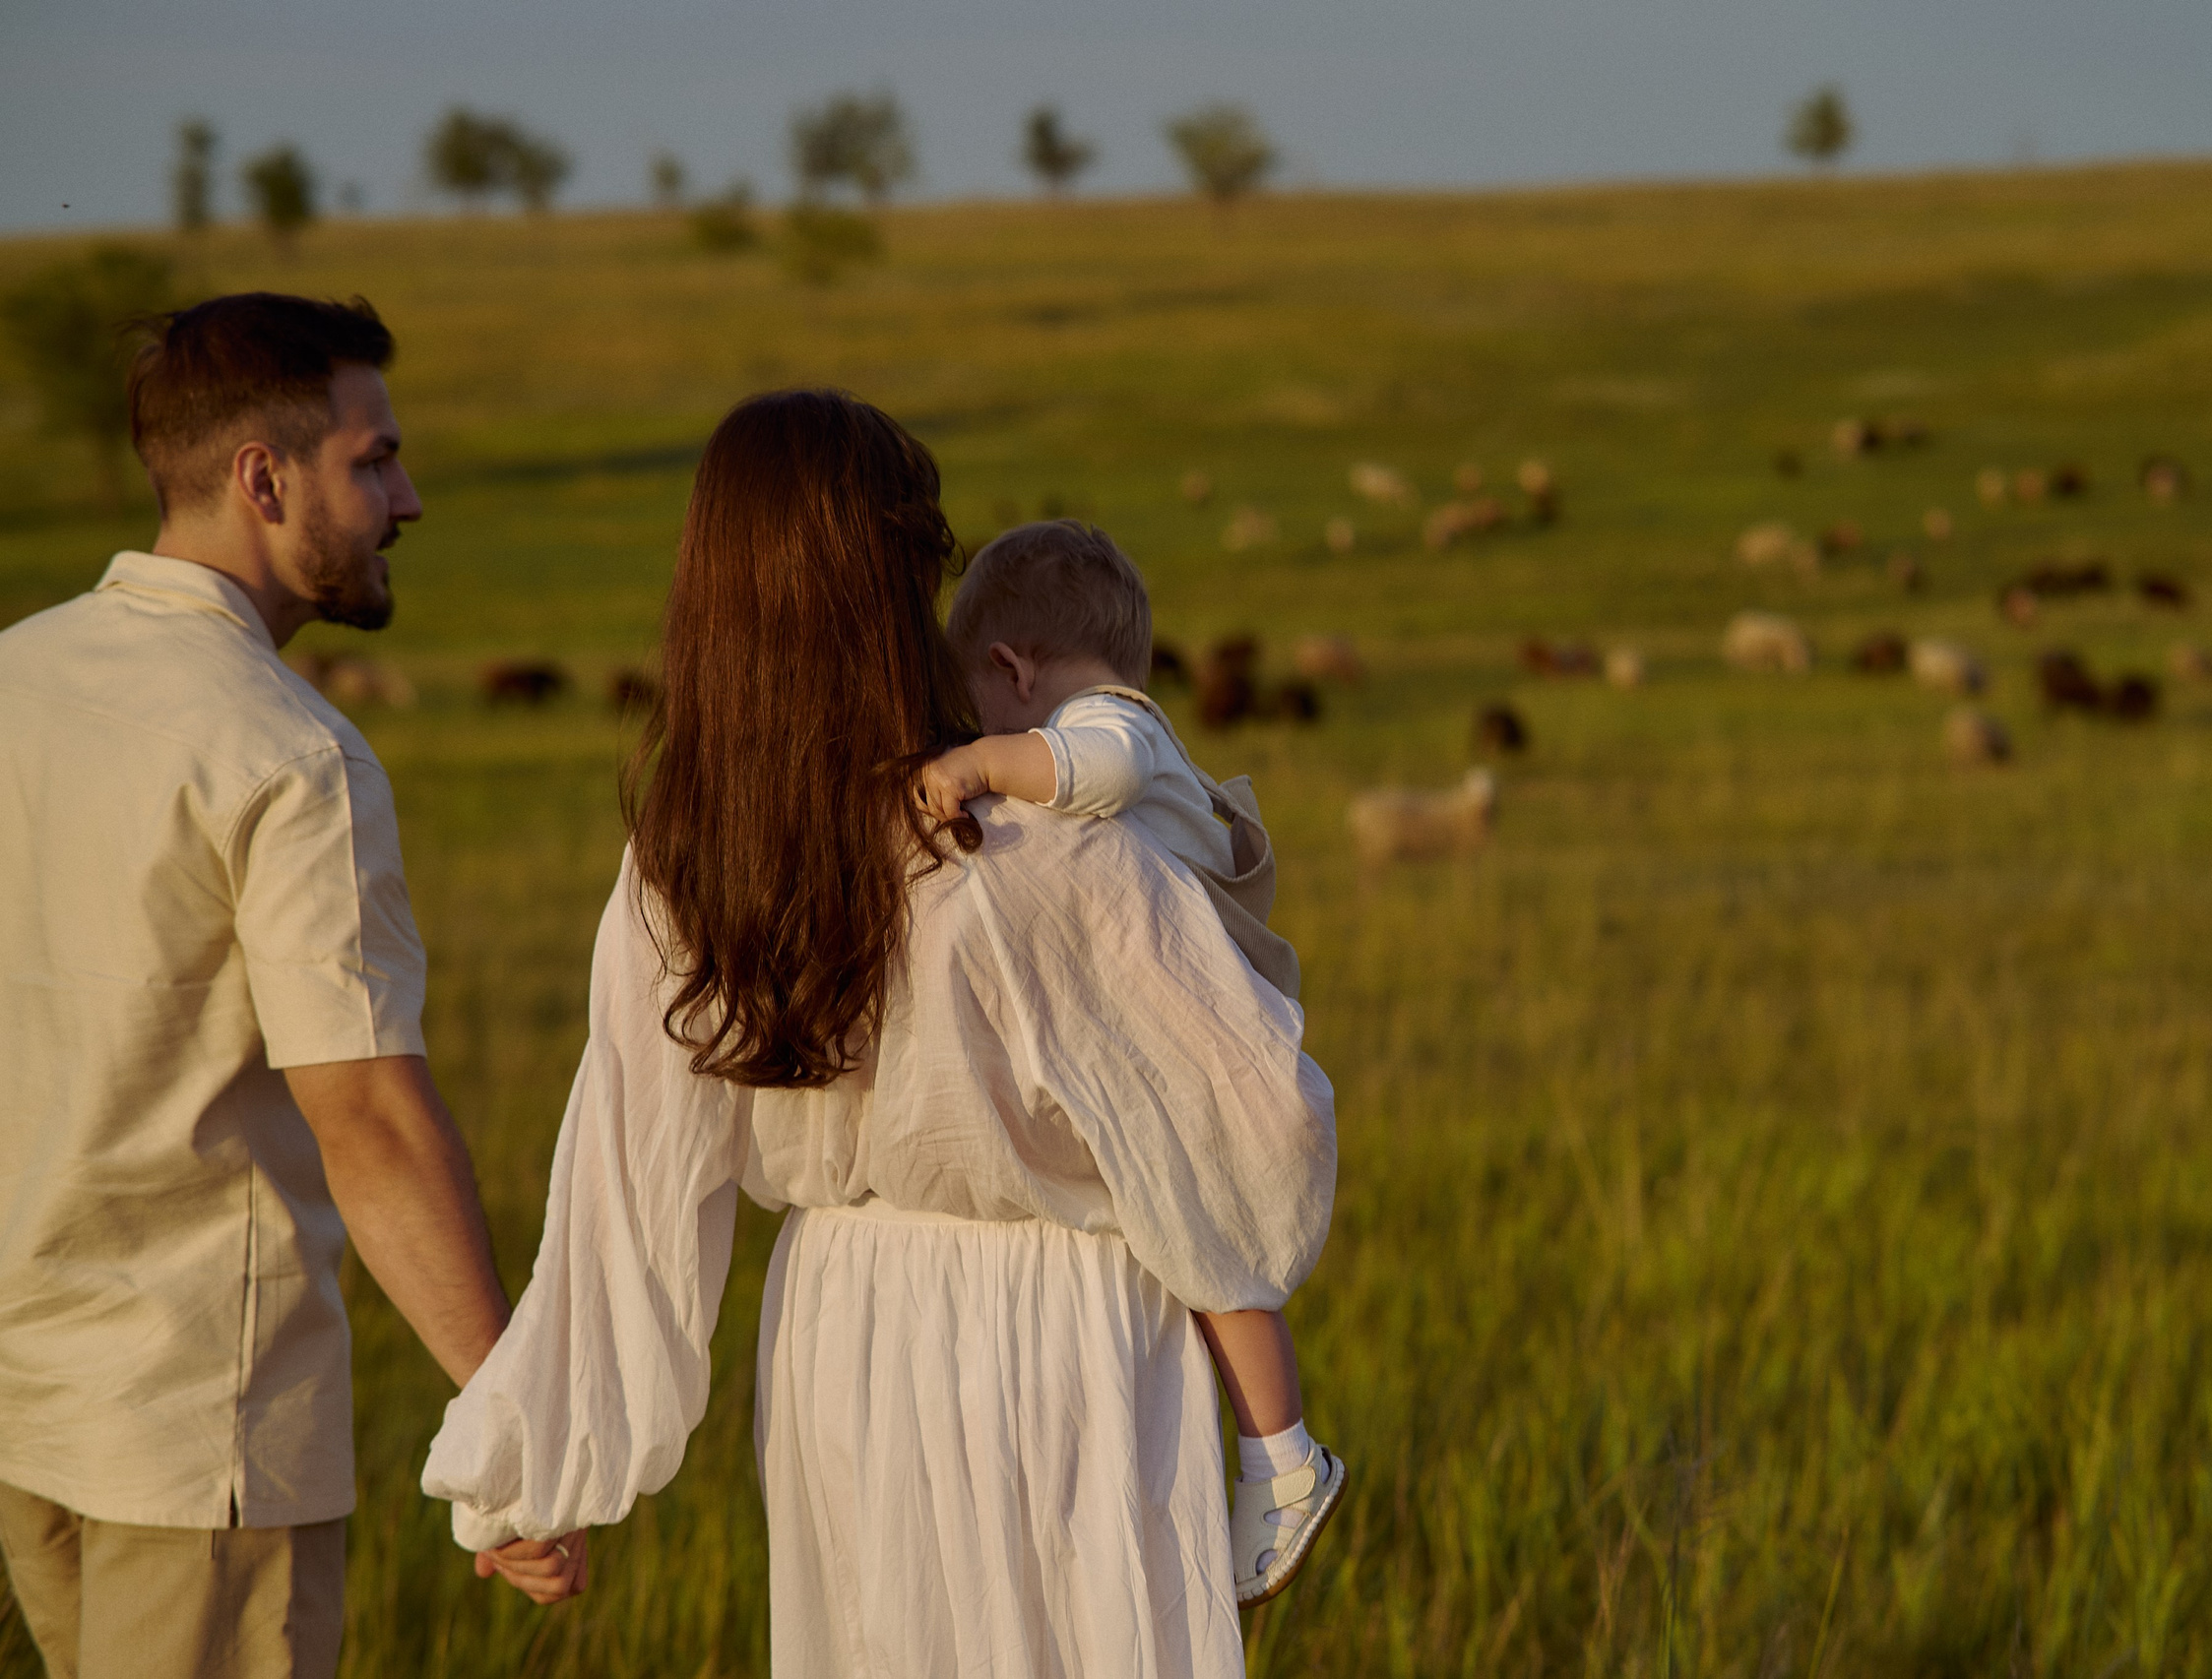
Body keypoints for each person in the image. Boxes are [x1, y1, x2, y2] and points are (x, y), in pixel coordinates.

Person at [421, 389, 1337, 1676]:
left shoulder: (689, 857)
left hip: (844, 1341)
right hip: (1065, 1338)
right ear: (891, 587)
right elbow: (1259, 1122)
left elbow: (625, 1187)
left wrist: (528, 1469)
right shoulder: (1034, 838)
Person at [0, 292, 561, 1679]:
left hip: (26, 1407)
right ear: (265, 476)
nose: (408, 497)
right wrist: (515, 1422)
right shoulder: (289, 754)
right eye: (373, 460)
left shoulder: (19, 674)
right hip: (200, 1433)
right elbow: (365, 1114)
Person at [916, 520, 1344, 1606]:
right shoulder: (1124, 725)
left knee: (1219, 1253)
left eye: (986, 707)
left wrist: (974, 762)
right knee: (1199, 1250)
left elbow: (1084, 771)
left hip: (1202, 1048)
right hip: (1187, 1036)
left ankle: (1285, 1459)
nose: (989, 736)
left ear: (1015, 670)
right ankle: (1268, 1454)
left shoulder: (1116, 725)